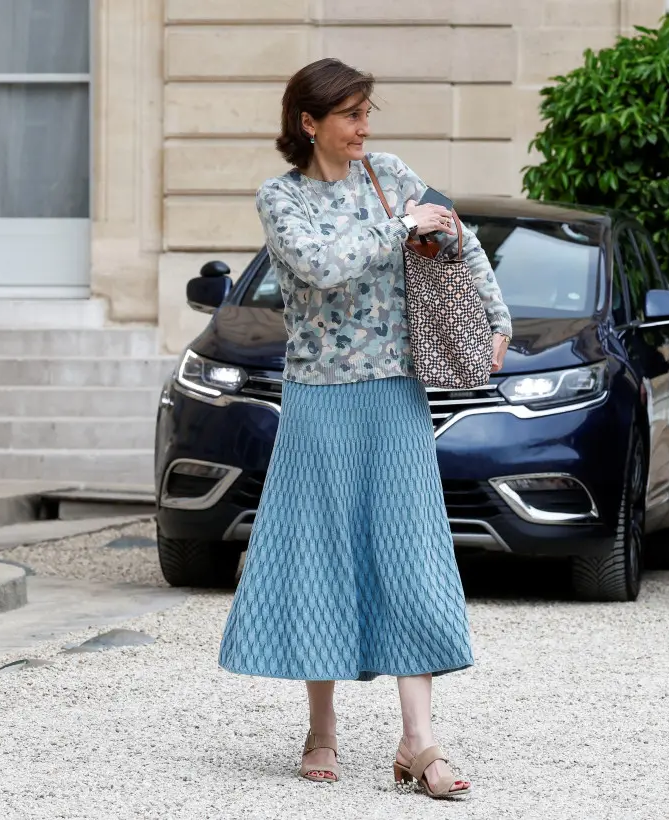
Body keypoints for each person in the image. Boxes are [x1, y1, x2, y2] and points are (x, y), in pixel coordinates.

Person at [217, 57, 512, 800]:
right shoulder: (281, 198)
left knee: (410, 552)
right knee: (323, 553)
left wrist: (495, 319)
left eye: (365, 111)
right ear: (309, 122)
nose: (363, 126)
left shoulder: (391, 172)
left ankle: (419, 742)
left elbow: (460, 239)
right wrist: (397, 227)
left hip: (396, 392)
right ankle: (321, 726)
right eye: (349, 114)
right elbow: (319, 266)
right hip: (320, 396)